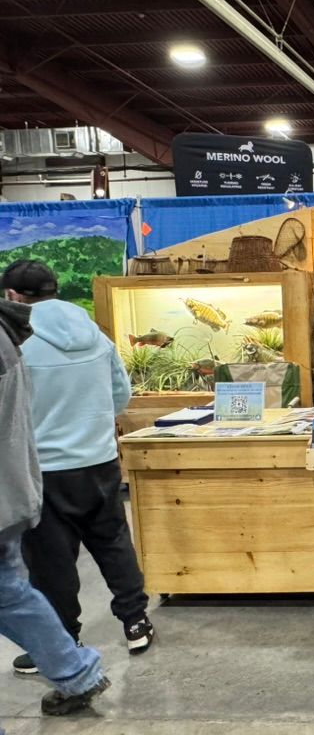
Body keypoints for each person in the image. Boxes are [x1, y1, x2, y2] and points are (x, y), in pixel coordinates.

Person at [2, 260, 154, 675]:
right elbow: (121, 395)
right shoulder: (95, 334)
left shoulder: (16, 344)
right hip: (101, 460)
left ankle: (62, 641)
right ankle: (136, 622)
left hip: (45, 469)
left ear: (13, 296)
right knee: (113, 541)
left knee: (52, 560)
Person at [0, 297, 111, 721]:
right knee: (11, 591)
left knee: (30, 579)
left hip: (35, 476)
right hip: (31, 480)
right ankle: (76, 671)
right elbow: (118, 390)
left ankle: (76, 669)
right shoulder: (11, 336)